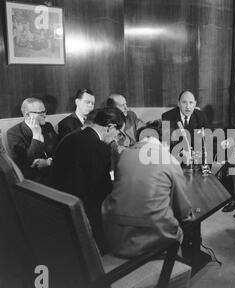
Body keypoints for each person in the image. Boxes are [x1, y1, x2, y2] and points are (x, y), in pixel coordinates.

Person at [102, 121, 194, 258]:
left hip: (115, 235)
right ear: (166, 143)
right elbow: (183, 211)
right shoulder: (169, 161)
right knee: (186, 227)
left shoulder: (124, 155)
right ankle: (185, 262)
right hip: (152, 242)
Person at [51, 107, 125, 254]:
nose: (118, 138)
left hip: (60, 207)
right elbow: (102, 193)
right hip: (83, 217)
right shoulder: (99, 147)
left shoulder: (70, 137)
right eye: (119, 133)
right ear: (110, 127)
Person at [7, 98, 57, 184]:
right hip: (34, 180)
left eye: (45, 111)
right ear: (27, 115)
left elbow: (58, 149)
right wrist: (36, 135)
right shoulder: (14, 133)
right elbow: (28, 162)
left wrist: (48, 162)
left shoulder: (48, 126)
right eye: (40, 113)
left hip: (54, 171)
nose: (44, 115)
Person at [162, 90, 208, 158]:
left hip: (195, 157)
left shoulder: (201, 116)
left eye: (191, 102)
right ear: (178, 103)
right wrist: (180, 153)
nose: (188, 106)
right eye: (184, 102)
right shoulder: (167, 116)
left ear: (195, 104)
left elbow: (206, 140)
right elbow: (166, 143)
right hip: (175, 157)